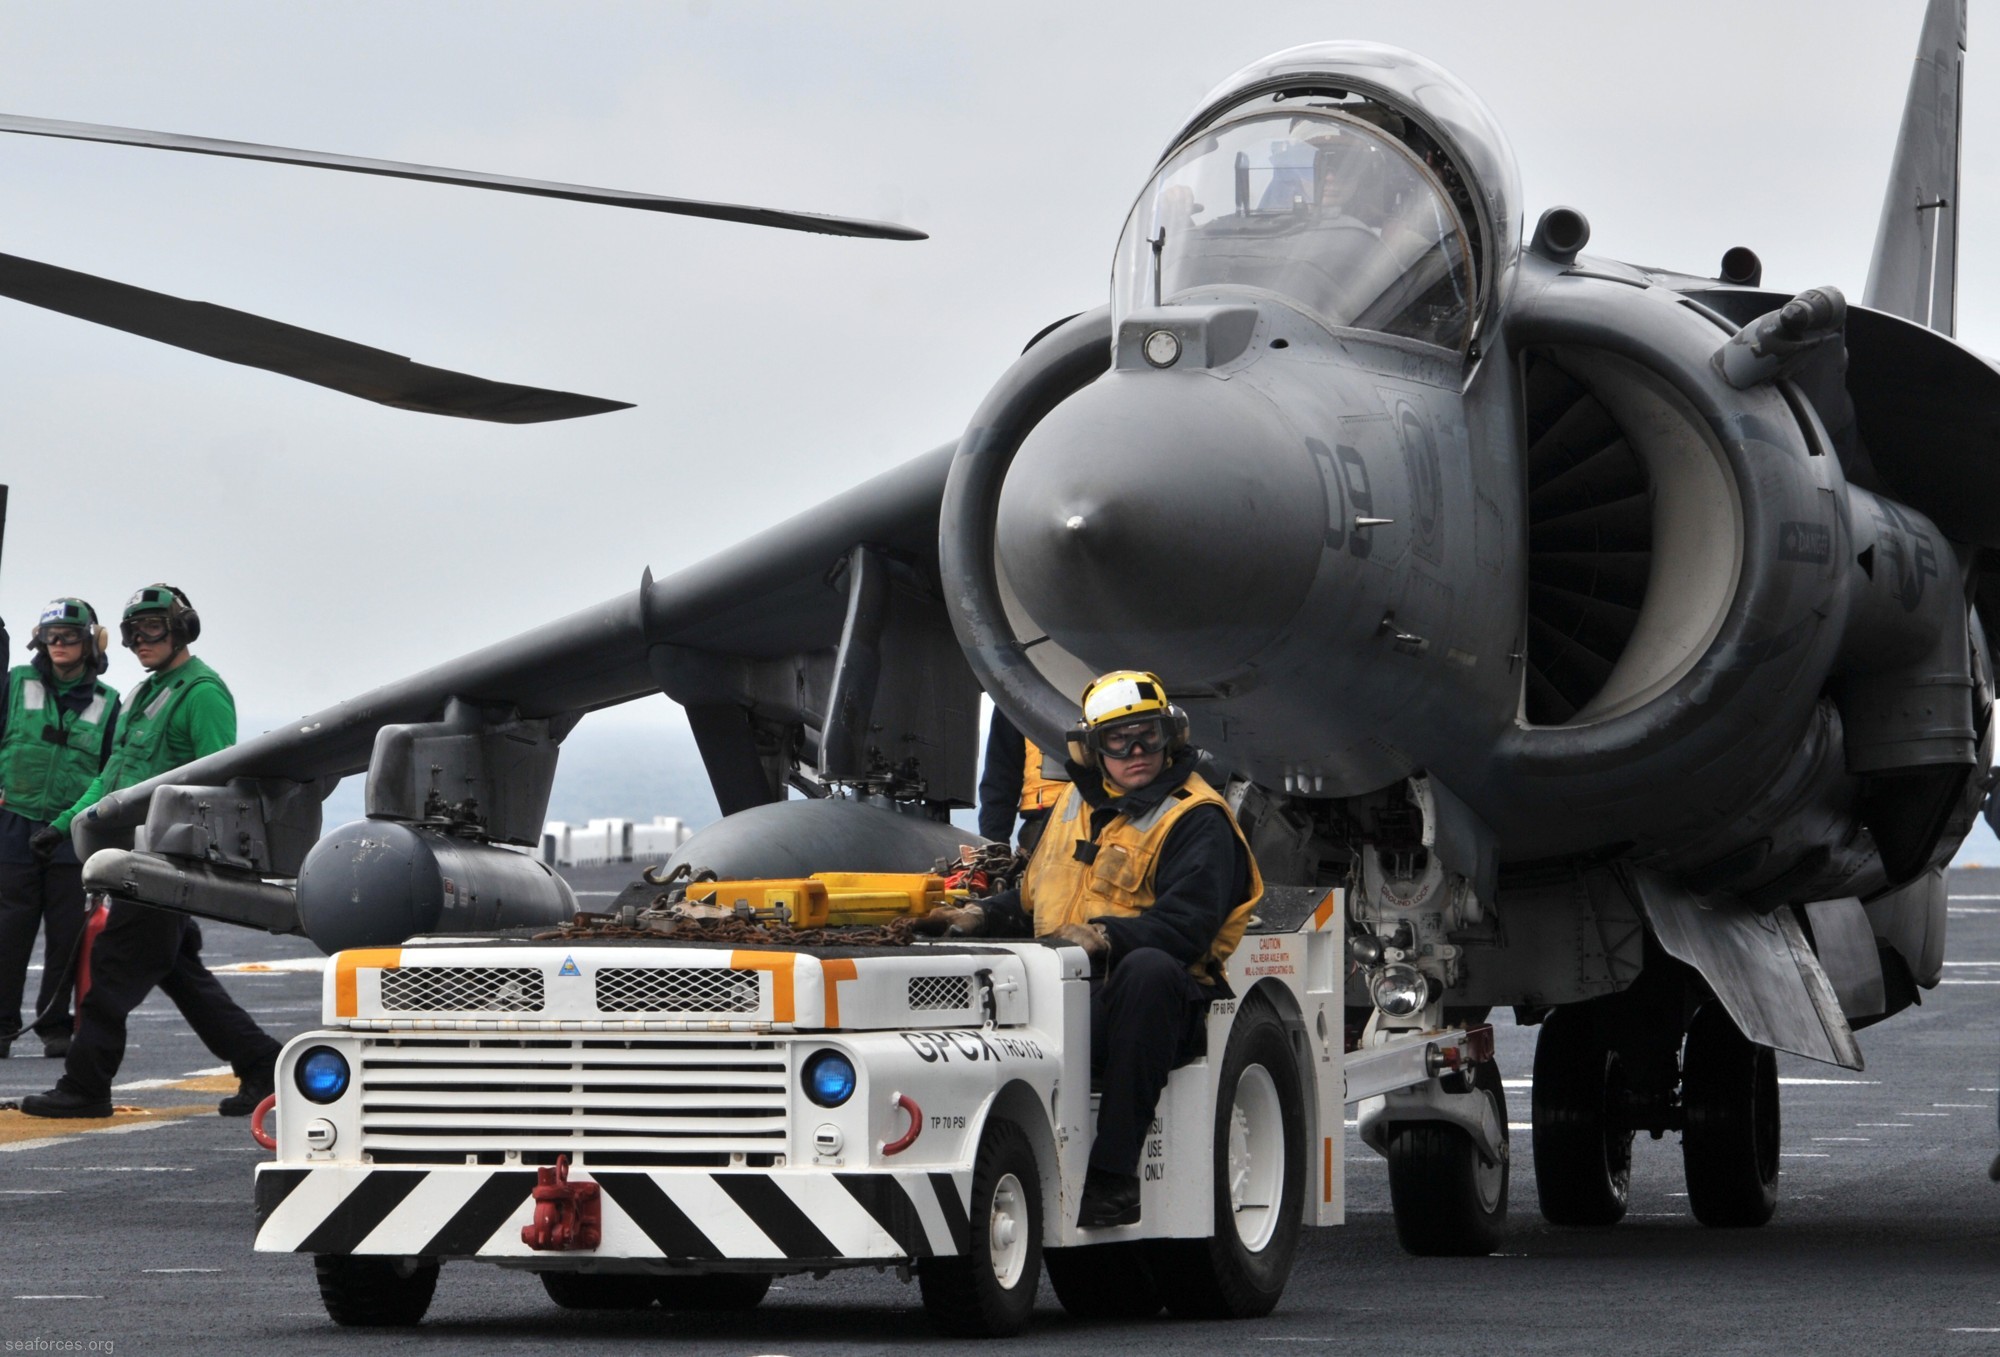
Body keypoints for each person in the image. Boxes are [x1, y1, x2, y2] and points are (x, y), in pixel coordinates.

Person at [926, 671, 1262, 1228]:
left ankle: (1112, 1178)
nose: (1135, 752)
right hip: (1057, 996)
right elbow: (1036, 898)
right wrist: (982, 914)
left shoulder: (1197, 818)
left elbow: (1188, 928)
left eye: (1148, 737)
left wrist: (1106, 937)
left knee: (1150, 972)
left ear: (1170, 737)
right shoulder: (1069, 808)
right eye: (1117, 740)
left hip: (1150, 1008)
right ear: (1091, 748)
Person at [20, 585, 281, 1119]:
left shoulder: (202, 693)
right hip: (138, 860)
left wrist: (198, 869)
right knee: (181, 974)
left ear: (183, 628)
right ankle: (264, 1065)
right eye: (133, 631)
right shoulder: (142, 695)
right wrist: (65, 825)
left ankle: (85, 1087)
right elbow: (111, 778)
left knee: (109, 976)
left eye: (153, 628)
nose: (141, 640)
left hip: (166, 864)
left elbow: (218, 781)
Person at [0, 600, 120, 1059]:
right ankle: (2, 1026)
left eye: (69, 636)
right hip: (14, 824)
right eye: (52, 637)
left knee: (67, 932)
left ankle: (55, 1026)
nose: (59, 644)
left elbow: (113, 769)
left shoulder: (111, 705)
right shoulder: (14, 684)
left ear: (91, 642)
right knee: (9, 931)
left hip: (73, 834)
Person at [975, 710, 1067, 854]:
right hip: (1042, 825)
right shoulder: (1015, 690)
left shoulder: (1019, 691)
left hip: (1109, 816)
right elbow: (1001, 774)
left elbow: (1001, 775)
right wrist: (994, 847)